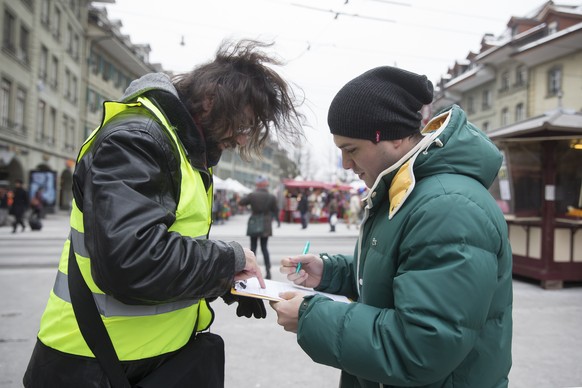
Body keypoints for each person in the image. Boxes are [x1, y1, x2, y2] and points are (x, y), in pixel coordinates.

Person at [24, 39, 304, 387]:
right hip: (92, 364)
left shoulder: (180, 147)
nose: (243, 140)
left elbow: (165, 244)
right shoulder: (137, 140)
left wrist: (224, 282)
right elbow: (132, 261)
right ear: (210, 102)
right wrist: (227, 261)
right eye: (244, 126)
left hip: (140, 361)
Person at [270, 66, 513, 387]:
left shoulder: (448, 207)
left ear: (395, 137)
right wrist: (330, 272)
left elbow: (424, 346)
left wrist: (311, 317)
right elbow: (403, 269)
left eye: (352, 149)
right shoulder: (407, 191)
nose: (345, 164)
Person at [239, 176, 280, 279]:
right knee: (264, 248)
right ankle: (268, 272)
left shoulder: (252, 195)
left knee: (253, 248)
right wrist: (278, 221)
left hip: (254, 222)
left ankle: (250, 271)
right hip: (266, 224)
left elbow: (241, 202)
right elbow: (276, 210)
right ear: (265, 184)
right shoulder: (271, 196)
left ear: (258, 185)